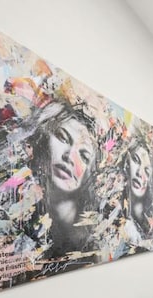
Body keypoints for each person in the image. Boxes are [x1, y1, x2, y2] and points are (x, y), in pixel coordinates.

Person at [24, 100, 100, 259]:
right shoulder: (23, 221)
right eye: (63, 138)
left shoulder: (90, 242)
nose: (70, 157)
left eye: (84, 156)